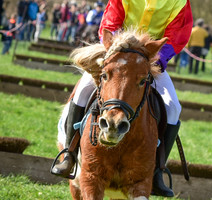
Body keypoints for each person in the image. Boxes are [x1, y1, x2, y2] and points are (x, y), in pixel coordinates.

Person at [51, 0, 193, 198]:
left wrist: (156, 58)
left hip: (150, 60)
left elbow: (178, 35)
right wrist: (117, 47)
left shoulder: (179, 2)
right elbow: (110, 21)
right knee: (83, 91)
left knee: (173, 107)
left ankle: (157, 170)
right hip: (117, 53)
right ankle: (69, 154)